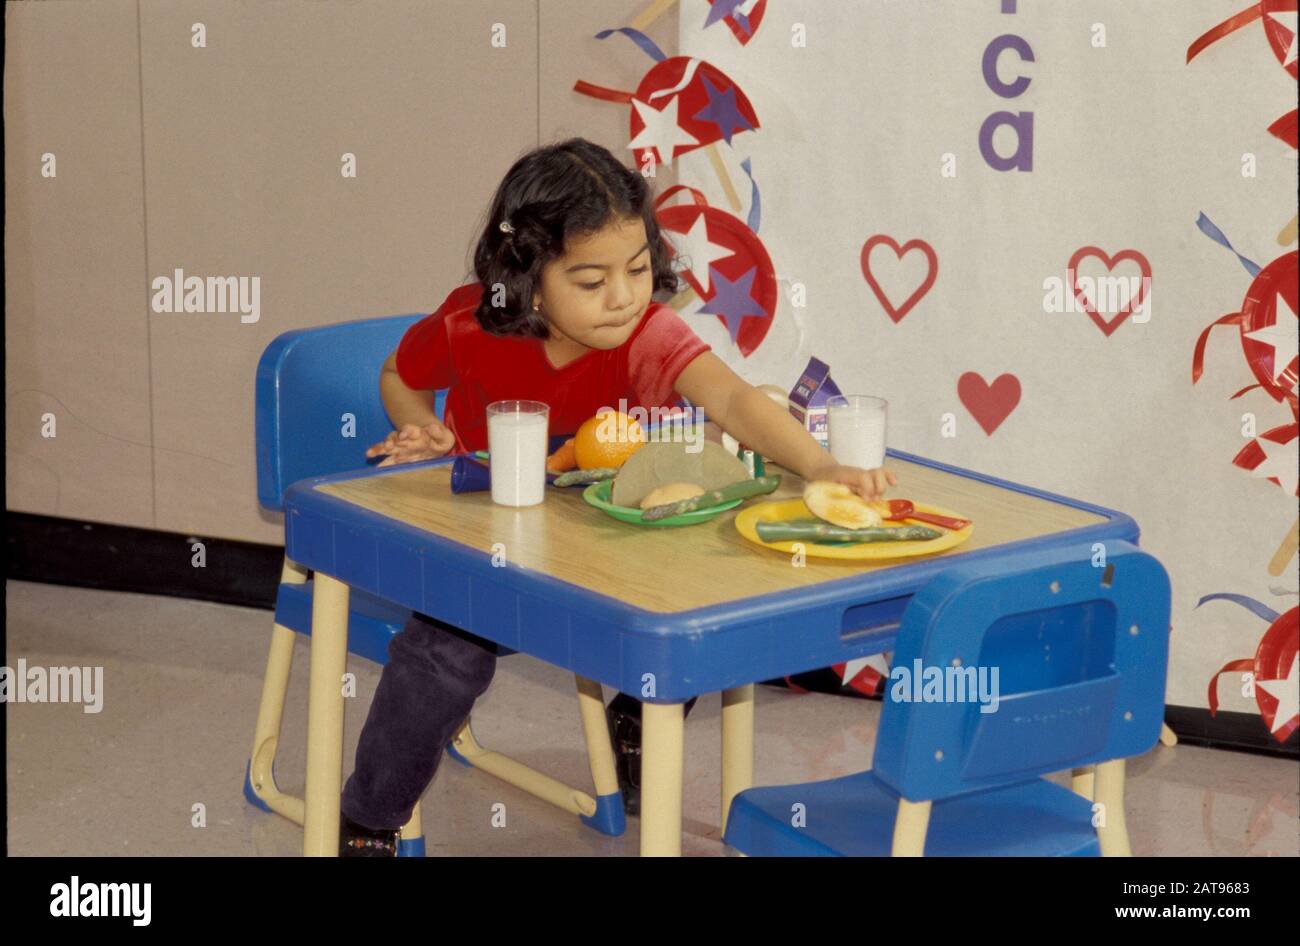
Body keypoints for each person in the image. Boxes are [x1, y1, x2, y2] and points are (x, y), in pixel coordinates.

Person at [341, 137, 897, 855]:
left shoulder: (643, 335)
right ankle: (369, 816)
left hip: (594, 544)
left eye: (637, 270)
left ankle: (633, 716)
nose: (624, 296)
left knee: (697, 599)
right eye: (591, 279)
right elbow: (399, 371)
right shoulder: (470, 325)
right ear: (530, 281)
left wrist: (820, 466)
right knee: (446, 654)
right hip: (485, 545)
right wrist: (422, 427)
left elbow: (728, 397)